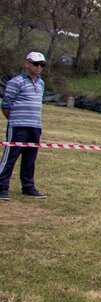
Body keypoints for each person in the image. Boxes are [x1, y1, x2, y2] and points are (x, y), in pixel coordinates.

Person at [1, 52, 48, 200]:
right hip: (18, 125)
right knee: (10, 158)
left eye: (42, 65)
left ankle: (28, 187)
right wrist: (14, 119)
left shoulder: (41, 83)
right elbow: (6, 105)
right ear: (27, 63)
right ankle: (2, 187)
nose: (38, 67)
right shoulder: (16, 82)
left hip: (35, 126)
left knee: (30, 159)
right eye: (36, 64)